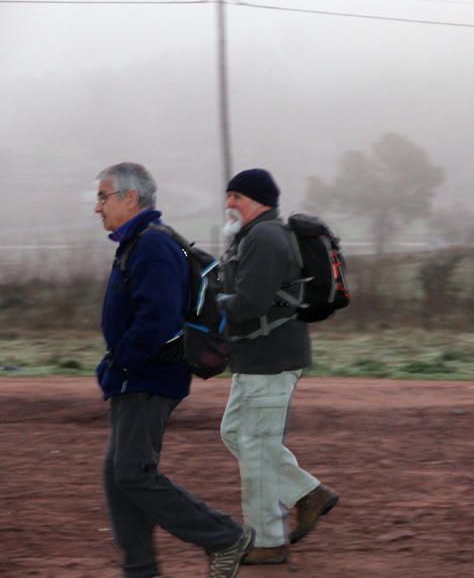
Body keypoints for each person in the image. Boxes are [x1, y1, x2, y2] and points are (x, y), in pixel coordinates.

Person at [94, 162, 253, 578]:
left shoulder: (151, 245)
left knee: (132, 472)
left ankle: (224, 536)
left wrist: (121, 359)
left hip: (148, 377)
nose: (97, 208)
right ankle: (141, 568)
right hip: (136, 376)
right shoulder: (138, 242)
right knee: (118, 476)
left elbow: (158, 319)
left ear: (131, 198)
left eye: (103, 197)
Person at [218, 168, 339, 565]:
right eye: (229, 196)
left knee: (255, 445)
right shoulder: (251, 237)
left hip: (271, 358)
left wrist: (204, 309)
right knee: (236, 433)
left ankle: (268, 541)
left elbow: (249, 302)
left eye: (236, 196)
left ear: (259, 201)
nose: (229, 203)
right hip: (258, 357)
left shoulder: (265, 238)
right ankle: (307, 494)